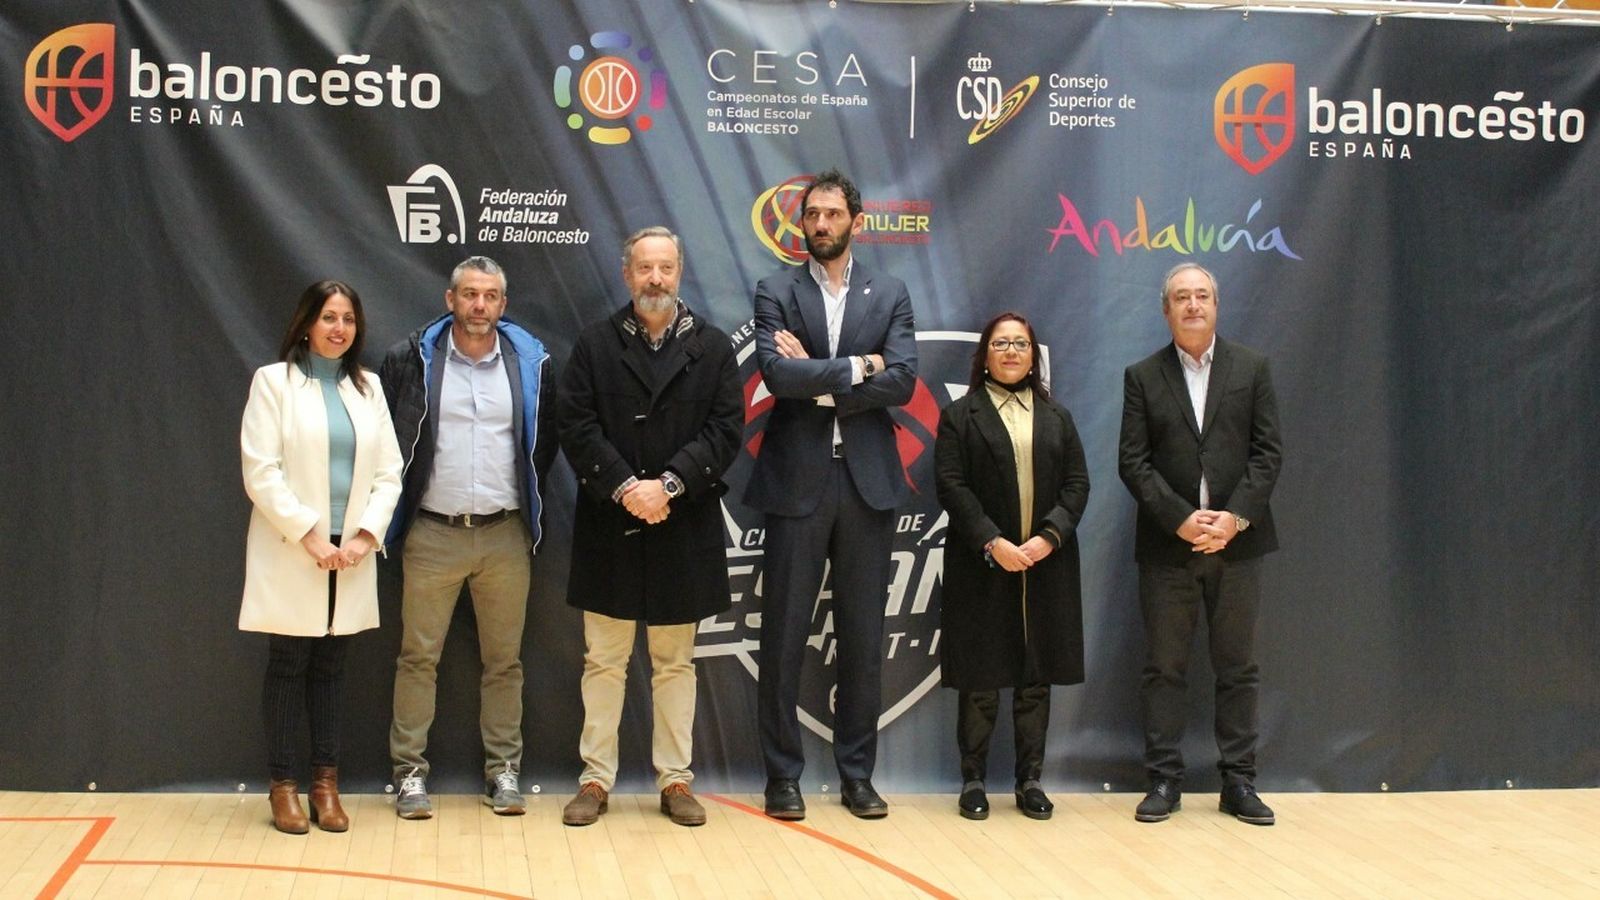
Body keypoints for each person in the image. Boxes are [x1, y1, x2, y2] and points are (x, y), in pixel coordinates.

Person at [554, 226, 743, 828]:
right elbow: (576, 425)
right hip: (612, 523)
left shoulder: (713, 348)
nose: (655, 279)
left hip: (681, 523)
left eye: (665, 267)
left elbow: (725, 429)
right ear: (627, 274)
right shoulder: (593, 345)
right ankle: (594, 780)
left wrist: (666, 487)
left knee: (674, 663)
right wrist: (626, 487)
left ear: (679, 272)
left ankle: (675, 782)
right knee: (603, 662)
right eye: (644, 269)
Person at [745, 169, 918, 820]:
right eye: (811, 215)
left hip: (868, 482)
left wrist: (822, 380)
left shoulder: (890, 292)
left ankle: (856, 776)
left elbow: (902, 380)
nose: (820, 224)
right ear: (801, 223)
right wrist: (857, 367)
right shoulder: (776, 290)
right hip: (796, 482)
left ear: (855, 221)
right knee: (784, 636)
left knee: (863, 639)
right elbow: (776, 376)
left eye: (831, 214)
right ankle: (782, 777)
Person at [379, 256, 556, 819]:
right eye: (470, 295)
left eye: (490, 296)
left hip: (505, 535)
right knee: (417, 658)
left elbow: (542, 447)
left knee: (504, 662)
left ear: (504, 305)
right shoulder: (411, 360)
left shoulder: (530, 362)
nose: (479, 305)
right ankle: (409, 775)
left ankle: (503, 772)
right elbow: (387, 440)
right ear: (450, 299)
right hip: (432, 533)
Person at [1118, 262, 1283, 826]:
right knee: (1165, 668)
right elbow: (1133, 463)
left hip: (1237, 546)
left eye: (1203, 296)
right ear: (1166, 310)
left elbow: (1268, 455)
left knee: (1237, 668)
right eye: (1182, 297)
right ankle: (1164, 779)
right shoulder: (1142, 376)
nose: (1193, 305)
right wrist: (1182, 520)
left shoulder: (1252, 368)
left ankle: (1239, 782)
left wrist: (1233, 519)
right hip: (1170, 547)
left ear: (1217, 305)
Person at [240, 280, 403, 834]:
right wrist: (309, 534)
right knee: (288, 665)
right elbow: (261, 471)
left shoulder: (369, 388)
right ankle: (283, 787)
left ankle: (325, 786)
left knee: (333, 668)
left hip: (351, 552)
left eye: (349, 320)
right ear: (307, 322)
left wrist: (363, 537)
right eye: (329, 317)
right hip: (295, 549)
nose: (339, 329)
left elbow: (389, 473)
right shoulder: (274, 383)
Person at [934, 312, 1090, 822]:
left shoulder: (1058, 417)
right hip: (983, 563)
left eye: (1020, 344)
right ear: (985, 354)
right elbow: (951, 485)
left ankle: (1030, 781)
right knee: (981, 679)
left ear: (1033, 355)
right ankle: (973, 780)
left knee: (1034, 679)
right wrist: (992, 541)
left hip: (1046, 565)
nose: (1010, 352)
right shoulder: (960, 415)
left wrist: (1050, 537)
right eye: (1000, 343)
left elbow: (1076, 485)